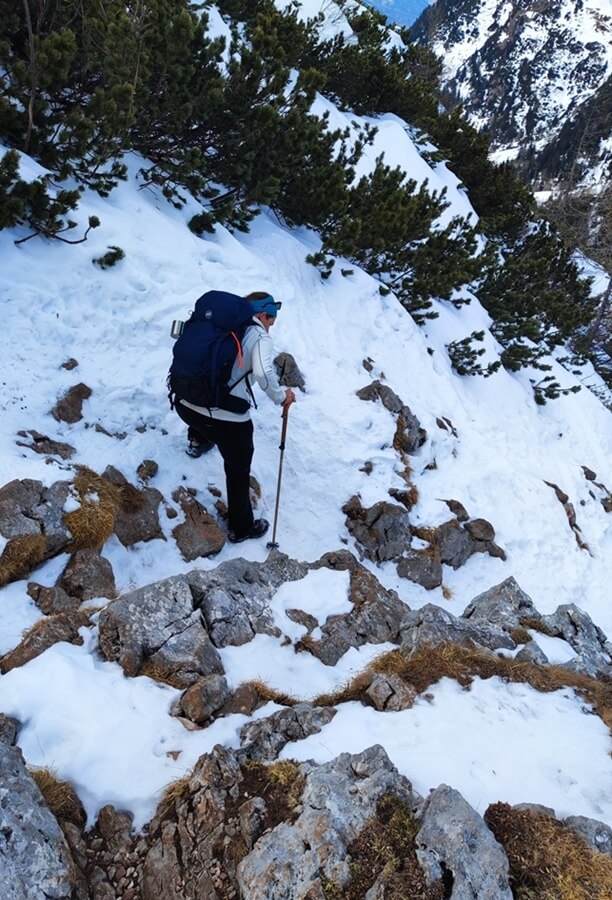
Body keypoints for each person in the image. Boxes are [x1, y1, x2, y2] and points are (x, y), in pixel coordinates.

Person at [175, 292, 296, 543]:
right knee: (237, 469)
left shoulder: (213, 325)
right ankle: (241, 528)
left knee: (205, 417)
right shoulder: (259, 335)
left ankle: (197, 441)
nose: (271, 325)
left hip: (184, 403)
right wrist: (282, 396)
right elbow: (263, 372)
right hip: (228, 422)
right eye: (271, 319)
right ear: (263, 314)